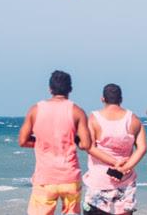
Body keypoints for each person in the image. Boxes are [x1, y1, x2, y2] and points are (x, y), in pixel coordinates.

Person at [19, 70, 92, 215]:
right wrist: (73, 140)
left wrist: (40, 142)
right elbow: (86, 144)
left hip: (45, 177)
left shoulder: (35, 110)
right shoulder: (77, 111)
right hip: (70, 176)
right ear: (70, 89)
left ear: (50, 88)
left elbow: (22, 141)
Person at [82, 83, 147, 215]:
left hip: (99, 180)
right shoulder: (133, 119)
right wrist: (123, 167)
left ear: (103, 99)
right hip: (125, 180)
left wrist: (113, 162)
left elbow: (90, 147)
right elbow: (142, 148)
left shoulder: (94, 118)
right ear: (121, 99)